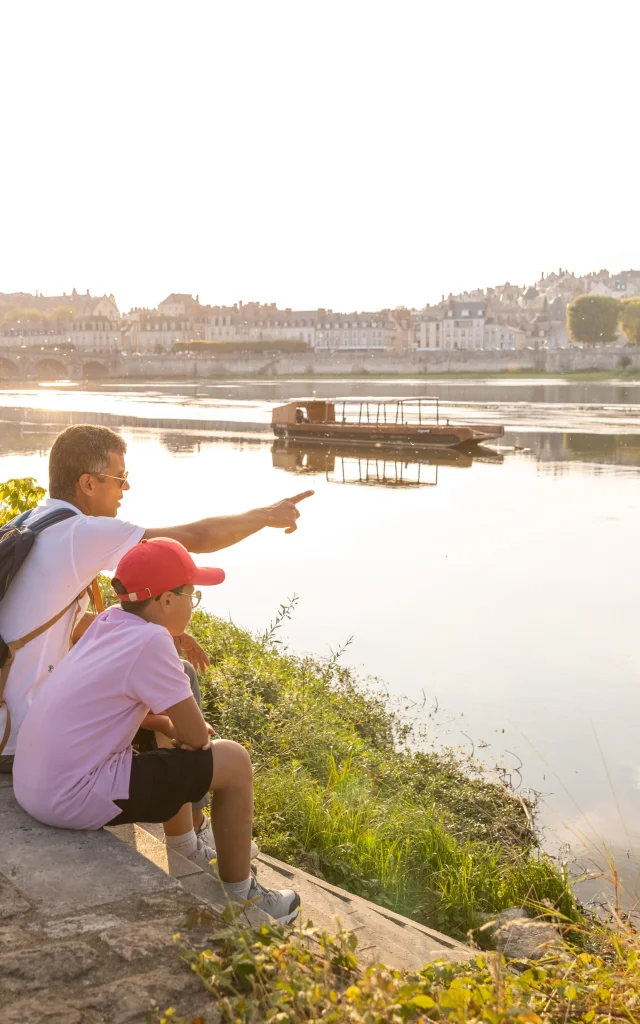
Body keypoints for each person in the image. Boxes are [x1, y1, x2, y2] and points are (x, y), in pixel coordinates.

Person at [0, 424, 313, 861]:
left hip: (14, 728)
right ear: (87, 484)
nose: (125, 490)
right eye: (118, 478)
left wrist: (164, 635)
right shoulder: (81, 533)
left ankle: (187, 835)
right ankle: (196, 831)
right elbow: (194, 541)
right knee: (179, 681)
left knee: (163, 671)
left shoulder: (33, 521)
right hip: (17, 744)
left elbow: (68, 628)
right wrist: (266, 515)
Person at [12, 537, 300, 924]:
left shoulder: (111, 622)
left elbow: (111, 706)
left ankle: (184, 845)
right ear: (166, 600)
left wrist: (165, 723)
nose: (192, 606)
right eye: (191, 596)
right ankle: (245, 902)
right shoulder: (151, 641)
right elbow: (199, 739)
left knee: (168, 722)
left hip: (34, 781)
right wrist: (183, 731)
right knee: (234, 761)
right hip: (69, 796)